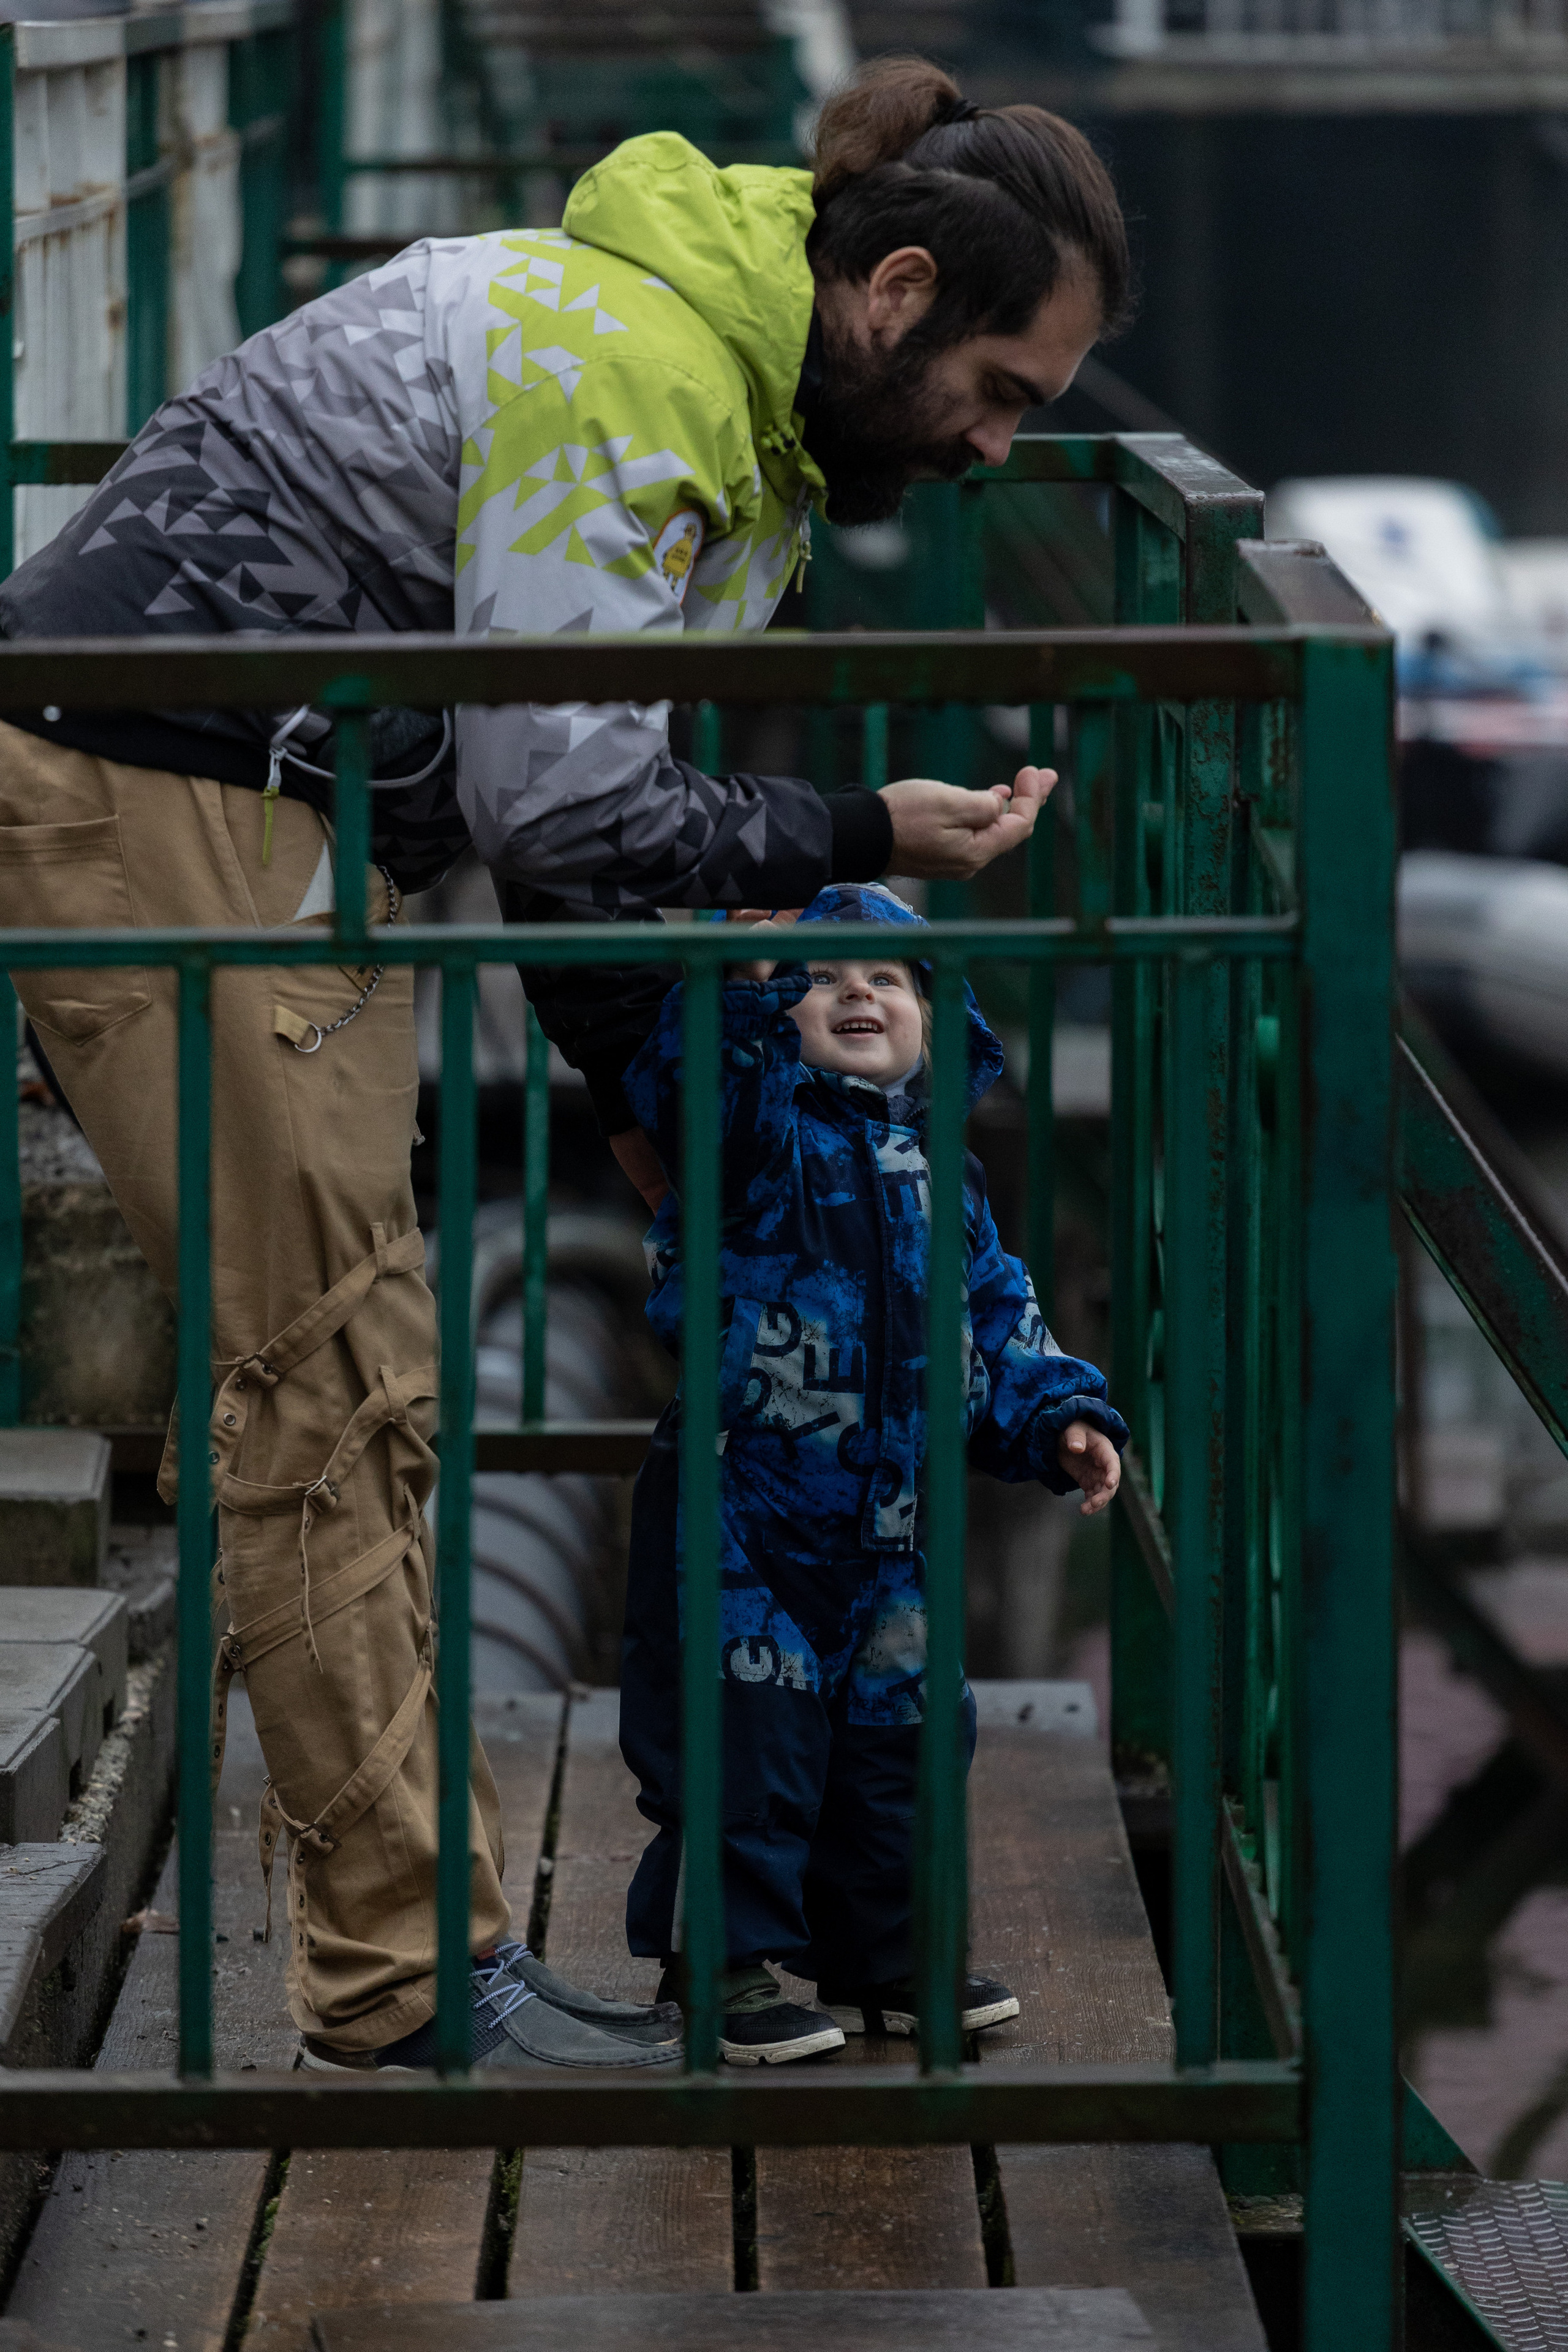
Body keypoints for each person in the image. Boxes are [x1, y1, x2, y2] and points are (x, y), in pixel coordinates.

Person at [0, 54, 1128, 2070]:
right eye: (1002, 391)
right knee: (333, 1368)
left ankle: (423, 1958)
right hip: (171, 784)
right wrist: (874, 833)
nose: (993, 449)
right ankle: (411, 1988)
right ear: (887, 296)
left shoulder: (726, 405)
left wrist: (640, 1097)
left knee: (357, 1363)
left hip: (254, 792)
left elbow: (582, 796)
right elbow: (581, 816)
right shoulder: (644, 380)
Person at [618, 884, 1128, 2062]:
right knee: (744, 1742)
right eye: (823, 973)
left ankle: (885, 1960)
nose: (855, 990)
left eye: (888, 977)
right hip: (747, 1521)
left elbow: (996, 1316)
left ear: (936, 1025)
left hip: (896, 1531)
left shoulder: (944, 1175)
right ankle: (725, 1974)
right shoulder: (758, 1143)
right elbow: (706, 1091)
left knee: (901, 1747)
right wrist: (737, 989)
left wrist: (1057, 1415)